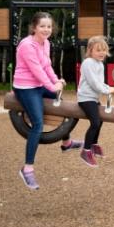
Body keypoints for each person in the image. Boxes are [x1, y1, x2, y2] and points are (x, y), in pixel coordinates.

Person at [13, 12, 83, 190]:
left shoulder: (46, 44)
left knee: (63, 105)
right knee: (37, 124)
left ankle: (66, 143)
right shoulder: (27, 45)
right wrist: (52, 87)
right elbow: (36, 70)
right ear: (34, 27)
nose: (46, 29)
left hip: (39, 85)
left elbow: (46, 66)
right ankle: (27, 168)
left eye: (49, 26)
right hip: (25, 87)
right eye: (42, 26)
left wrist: (56, 81)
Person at [77, 36, 114, 168]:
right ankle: (86, 150)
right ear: (90, 51)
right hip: (85, 98)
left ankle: (93, 145)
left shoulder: (99, 64)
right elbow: (94, 83)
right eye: (98, 50)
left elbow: (100, 83)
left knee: (100, 120)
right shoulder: (88, 63)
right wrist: (106, 90)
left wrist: (107, 88)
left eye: (104, 50)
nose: (101, 53)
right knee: (95, 123)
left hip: (93, 98)